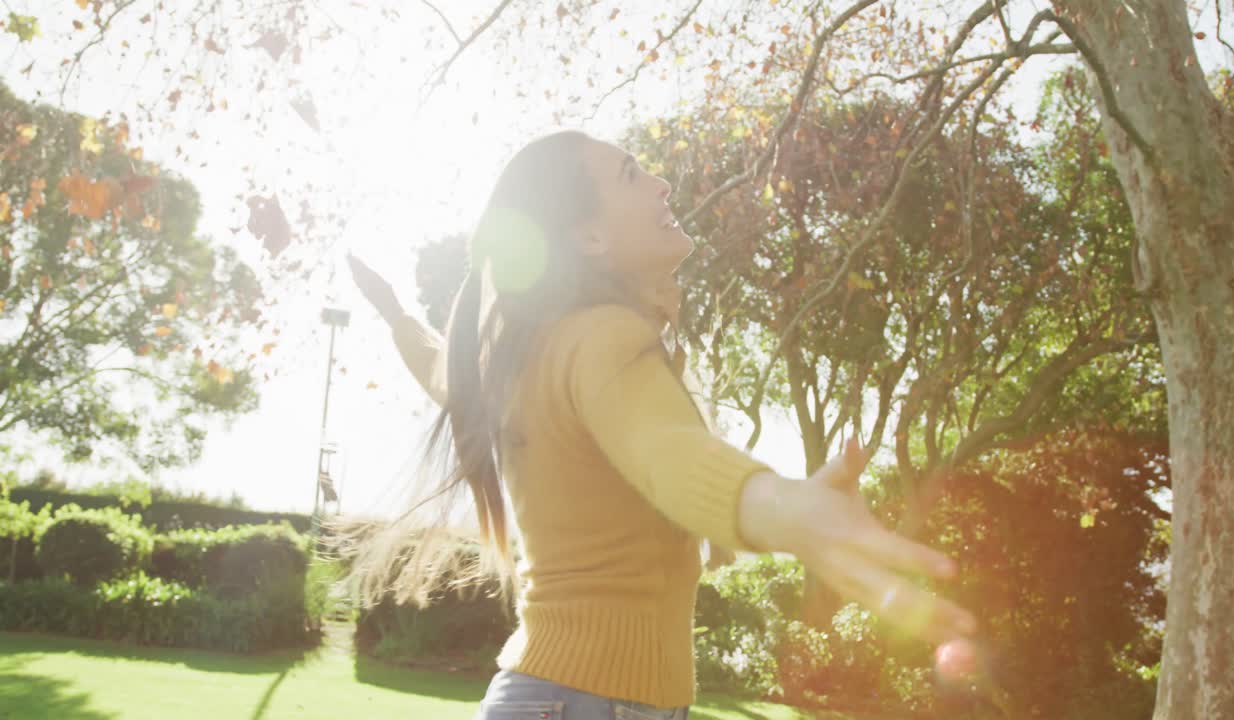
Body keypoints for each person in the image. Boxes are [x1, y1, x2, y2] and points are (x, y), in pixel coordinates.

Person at [345, 130, 974, 720]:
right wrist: (788, 508)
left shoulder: (531, 358)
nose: (661, 185)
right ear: (589, 237)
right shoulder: (601, 338)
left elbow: (440, 369)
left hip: (567, 696)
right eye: (631, 174)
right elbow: (667, 454)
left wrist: (394, 312)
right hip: (584, 701)